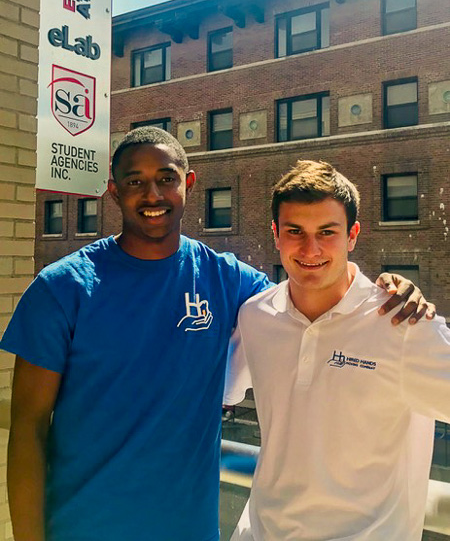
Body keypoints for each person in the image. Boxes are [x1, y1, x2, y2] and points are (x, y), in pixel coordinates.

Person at [0, 129, 432, 541]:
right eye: (135, 181)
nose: (153, 195)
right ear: (114, 190)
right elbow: (28, 431)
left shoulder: (226, 280)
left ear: (187, 183)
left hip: (191, 530)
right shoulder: (62, 288)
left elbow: (310, 292)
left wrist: (382, 291)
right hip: (84, 527)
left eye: (166, 179)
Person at [226, 160, 449, 541]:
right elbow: (217, 395)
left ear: (352, 235)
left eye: (327, 232)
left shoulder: (405, 323)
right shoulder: (255, 316)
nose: (310, 248)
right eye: (295, 231)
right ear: (276, 235)